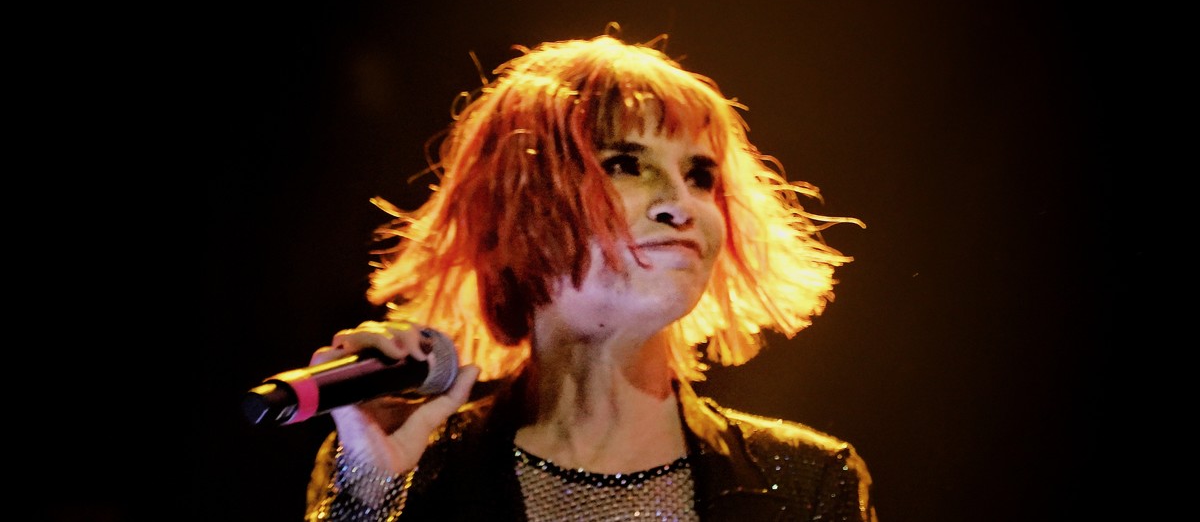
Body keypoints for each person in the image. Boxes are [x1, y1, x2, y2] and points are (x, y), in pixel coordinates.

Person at [301, 30, 877, 521]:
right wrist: (369, 493)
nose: (680, 203)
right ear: (516, 210)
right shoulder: (412, 472)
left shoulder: (808, 485)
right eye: (626, 165)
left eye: (700, 176)